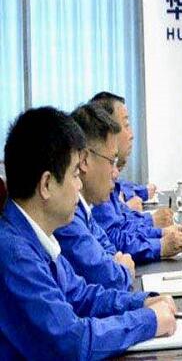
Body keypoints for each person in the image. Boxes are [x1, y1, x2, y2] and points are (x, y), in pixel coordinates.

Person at [0, 107, 177, 359]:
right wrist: (148, 320)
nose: (79, 184)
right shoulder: (14, 255)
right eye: (75, 174)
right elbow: (72, 342)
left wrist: (141, 302)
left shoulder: (38, 237)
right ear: (47, 184)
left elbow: (81, 296)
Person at [90, 93, 182, 263]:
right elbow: (114, 241)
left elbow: (123, 224)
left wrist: (160, 233)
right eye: (126, 125)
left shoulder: (106, 181)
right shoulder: (96, 189)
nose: (131, 135)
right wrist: (160, 243)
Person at [53, 104, 134, 290]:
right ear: (84, 161)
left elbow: (110, 249)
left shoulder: (84, 210)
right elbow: (110, 277)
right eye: (111, 161)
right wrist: (122, 270)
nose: (116, 173)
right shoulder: (66, 217)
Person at [90, 91, 171, 225]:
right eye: (126, 125)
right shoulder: (98, 186)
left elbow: (124, 187)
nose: (131, 135)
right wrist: (151, 222)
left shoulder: (109, 179)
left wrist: (142, 193)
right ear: (109, 130)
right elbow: (114, 231)